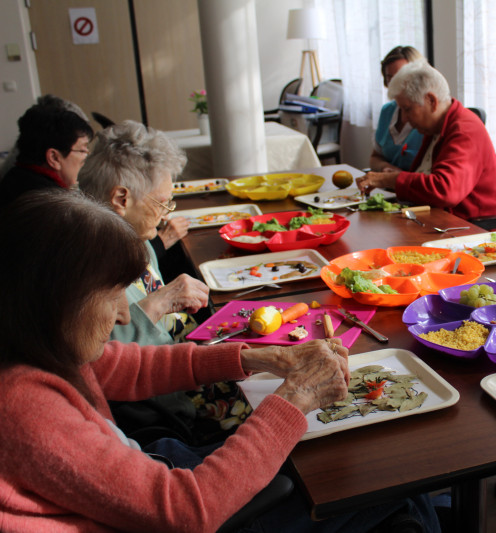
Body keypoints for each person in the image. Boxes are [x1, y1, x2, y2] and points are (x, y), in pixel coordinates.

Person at [0, 189, 440, 532]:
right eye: (112, 296)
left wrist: (259, 357)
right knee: (385, 480)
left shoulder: (38, 348)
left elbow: (131, 366)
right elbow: (189, 512)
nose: (122, 314)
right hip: (177, 514)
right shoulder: (26, 406)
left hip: (147, 478)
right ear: (58, 301)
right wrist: (296, 399)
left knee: (384, 480)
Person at [79, 120, 208, 346]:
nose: (165, 215)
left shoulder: (138, 241)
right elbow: (105, 356)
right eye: (161, 203)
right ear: (122, 199)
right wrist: (163, 300)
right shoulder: (86, 267)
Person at [357, 61, 496, 221]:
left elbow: (445, 191)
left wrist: (389, 179)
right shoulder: (434, 127)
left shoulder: (465, 129)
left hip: (475, 231)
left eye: (408, 109)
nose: (405, 119)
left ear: (431, 101)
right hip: (439, 220)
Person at [0, 96, 93, 207]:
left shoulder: (12, 178)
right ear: (54, 158)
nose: (87, 157)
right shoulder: (55, 206)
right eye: (82, 150)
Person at [369, 46, 425, 172]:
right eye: (390, 78)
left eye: (401, 77)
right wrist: (387, 169)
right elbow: (375, 157)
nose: (395, 85)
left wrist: (398, 177)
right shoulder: (387, 111)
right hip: (389, 186)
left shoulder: (428, 118)